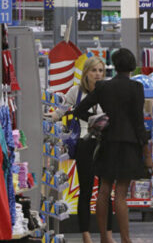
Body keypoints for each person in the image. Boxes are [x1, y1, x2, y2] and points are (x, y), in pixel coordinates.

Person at [74, 49, 152, 243]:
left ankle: (103, 237)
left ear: (114, 66)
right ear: (132, 66)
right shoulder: (136, 88)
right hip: (129, 144)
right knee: (121, 194)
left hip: (107, 141)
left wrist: (97, 123)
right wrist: (146, 150)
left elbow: (79, 110)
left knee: (104, 188)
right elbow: (138, 122)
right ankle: (126, 239)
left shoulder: (102, 87)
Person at [49, 56, 113, 243]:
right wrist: (46, 118)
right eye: (94, 70)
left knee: (105, 190)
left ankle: (107, 234)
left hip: (105, 144)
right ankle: (86, 235)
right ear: (86, 73)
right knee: (86, 190)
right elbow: (60, 111)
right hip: (84, 144)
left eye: (101, 70)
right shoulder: (75, 91)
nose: (98, 74)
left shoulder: (108, 91)